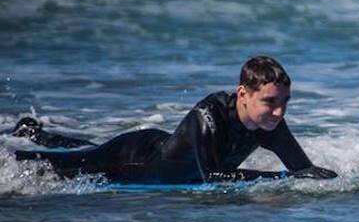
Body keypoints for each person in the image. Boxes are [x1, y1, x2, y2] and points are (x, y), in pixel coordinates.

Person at [12, 55, 337, 183]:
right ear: (243, 94)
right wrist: (279, 179)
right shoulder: (210, 113)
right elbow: (211, 175)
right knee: (56, 166)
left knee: (83, 148)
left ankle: (34, 131)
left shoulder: (271, 124)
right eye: (270, 102)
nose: (280, 111)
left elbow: (302, 171)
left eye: (285, 102)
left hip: (161, 147)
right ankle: (18, 149)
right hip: (136, 159)